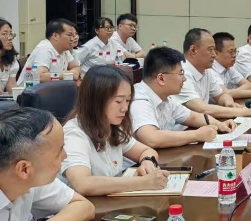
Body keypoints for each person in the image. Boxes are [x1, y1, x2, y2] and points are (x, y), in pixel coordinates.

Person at [60, 66, 168, 196]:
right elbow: (82, 184)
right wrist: (143, 182)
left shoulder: (112, 125)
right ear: (96, 100)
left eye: (127, 100)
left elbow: (146, 151)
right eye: (118, 101)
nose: (125, 108)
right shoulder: (74, 133)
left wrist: (147, 162)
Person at [131, 47, 233, 149]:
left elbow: (192, 117)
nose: (184, 79)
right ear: (161, 78)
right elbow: (151, 138)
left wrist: (220, 124)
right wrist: (197, 135)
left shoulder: (166, 98)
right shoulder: (140, 100)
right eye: (180, 73)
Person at [172, 28, 251, 119]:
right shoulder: (180, 74)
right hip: (184, 127)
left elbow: (221, 95)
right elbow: (202, 109)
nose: (214, 54)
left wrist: (229, 103)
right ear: (193, 50)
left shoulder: (207, 71)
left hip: (202, 123)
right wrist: (246, 111)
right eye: (210, 49)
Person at [212, 32, 251, 101]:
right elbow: (223, 94)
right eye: (230, 52)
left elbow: (250, 86)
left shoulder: (229, 68)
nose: (234, 55)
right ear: (216, 53)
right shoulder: (211, 69)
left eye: (235, 51)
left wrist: (231, 92)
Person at [23, 19, 82, 83]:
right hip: (29, 88)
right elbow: (40, 76)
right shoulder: (44, 50)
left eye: (74, 35)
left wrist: (73, 73)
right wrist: (67, 75)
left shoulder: (64, 49)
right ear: (56, 36)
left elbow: (76, 67)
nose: (73, 38)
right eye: (69, 35)